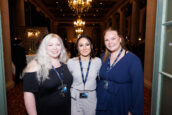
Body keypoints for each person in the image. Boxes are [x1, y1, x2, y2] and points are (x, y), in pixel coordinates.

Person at [96, 28, 144, 115]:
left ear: (120, 39)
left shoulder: (133, 60)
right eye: (106, 40)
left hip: (121, 104)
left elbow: (138, 89)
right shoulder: (103, 57)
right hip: (103, 102)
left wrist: (134, 111)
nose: (110, 42)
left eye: (113, 38)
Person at [22, 33, 73, 115]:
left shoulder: (64, 63)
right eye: (50, 45)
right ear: (44, 47)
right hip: (46, 111)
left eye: (58, 44)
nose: (55, 48)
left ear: (62, 47)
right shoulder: (34, 66)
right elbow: (28, 95)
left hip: (66, 109)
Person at [67, 35, 102, 115]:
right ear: (77, 48)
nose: (84, 48)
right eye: (81, 45)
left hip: (91, 98)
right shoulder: (71, 62)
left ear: (91, 46)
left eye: (87, 44)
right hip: (75, 98)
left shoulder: (98, 61)